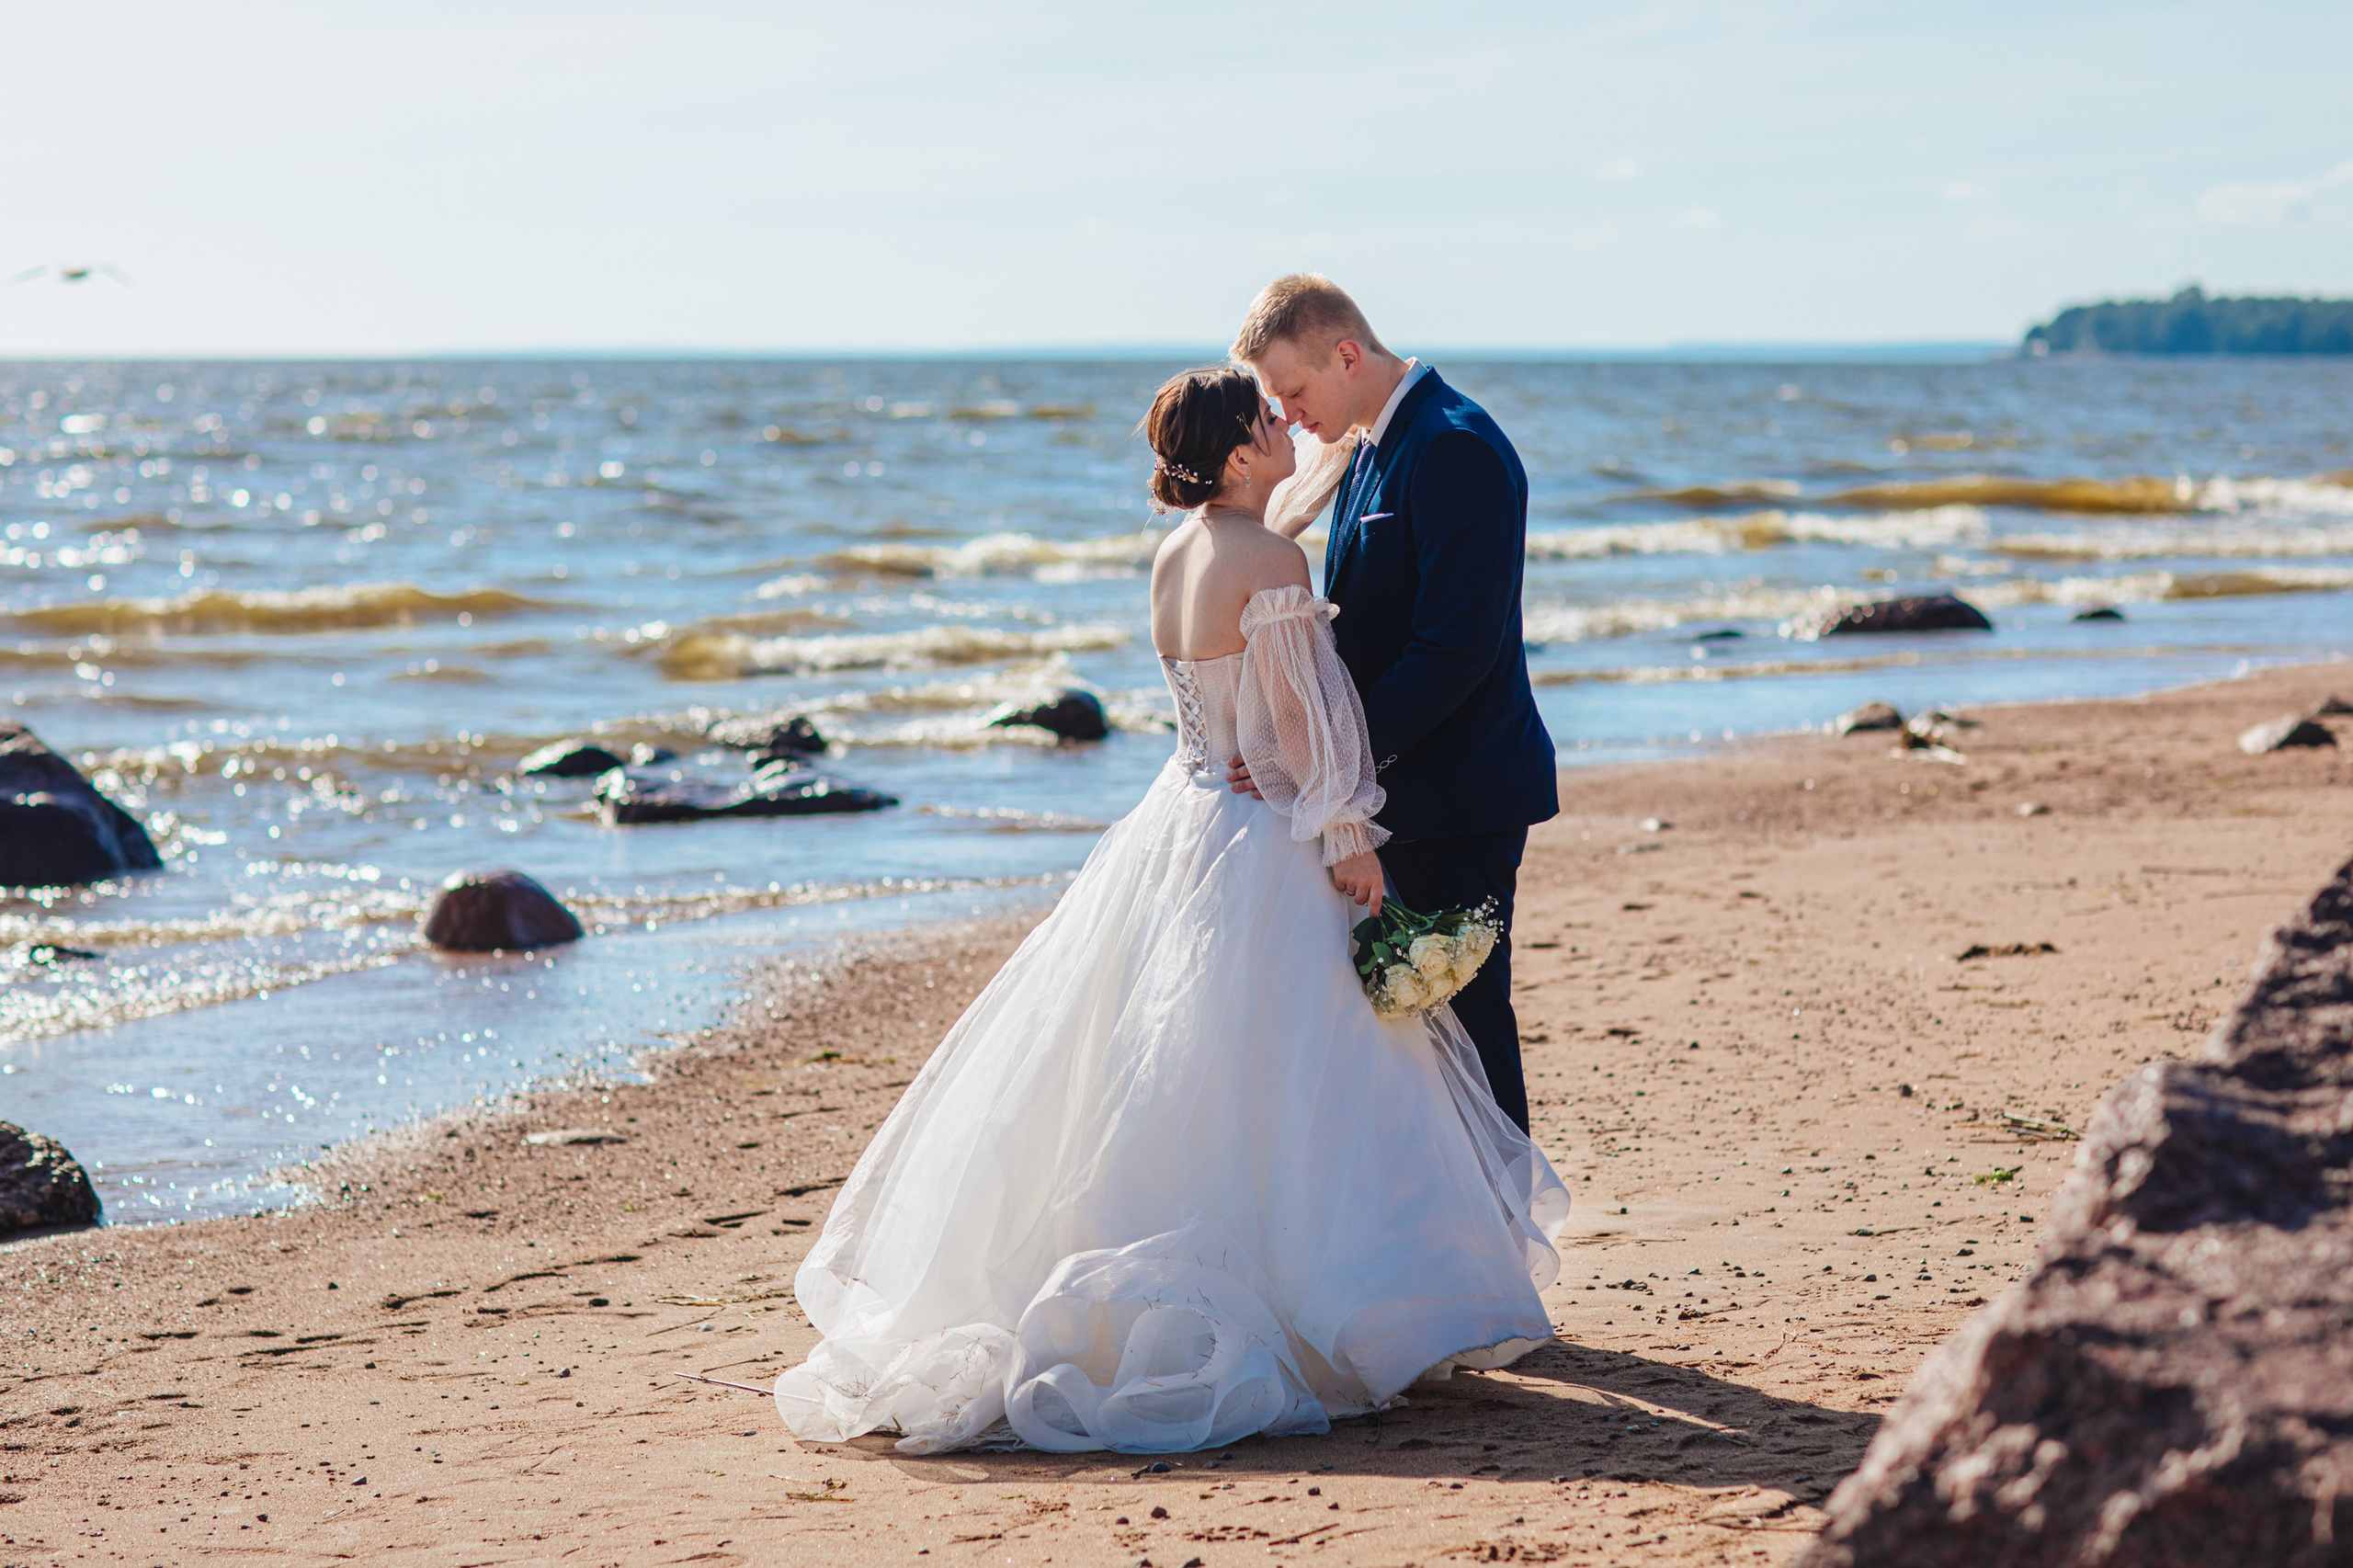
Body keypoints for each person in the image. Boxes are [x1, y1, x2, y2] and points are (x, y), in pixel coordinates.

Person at [771, 368, 1568, 1456]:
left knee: (1156, 1058)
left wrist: (1335, 450)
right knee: (1293, 1064)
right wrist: (1346, 836)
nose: (1285, 427)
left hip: (1178, 813)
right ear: (1237, 454)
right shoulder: (1274, 560)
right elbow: (1304, 726)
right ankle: (1334, 1310)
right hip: (1258, 830)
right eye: (1265, 420)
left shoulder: (1180, 549)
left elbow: (1223, 700)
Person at [1230, 275, 1558, 1134]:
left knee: (1470, 1025)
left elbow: (1455, 651)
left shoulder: (1454, 447)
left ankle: (1503, 1238)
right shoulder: (1369, 439)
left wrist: (1328, 759)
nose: (1290, 416)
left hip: (1459, 795)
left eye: (1294, 392)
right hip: (1395, 790)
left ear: (1347, 355)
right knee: (1410, 1041)